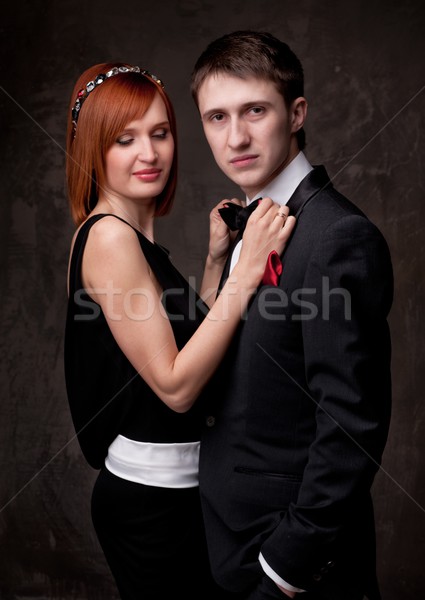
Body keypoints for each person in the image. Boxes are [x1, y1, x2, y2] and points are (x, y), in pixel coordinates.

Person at [64, 62, 295, 600]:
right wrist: (246, 271)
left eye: (160, 133)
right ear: (93, 150)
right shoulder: (108, 239)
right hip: (152, 504)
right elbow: (175, 386)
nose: (149, 153)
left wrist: (215, 265)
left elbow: (182, 347)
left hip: (182, 493)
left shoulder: (132, 240)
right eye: (125, 139)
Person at [190, 31, 393, 600]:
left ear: (296, 112)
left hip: (295, 570)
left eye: (255, 110)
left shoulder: (337, 236)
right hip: (225, 547)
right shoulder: (242, 227)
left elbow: (352, 426)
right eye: (216, 117)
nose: (236, 137)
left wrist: (284, 570)